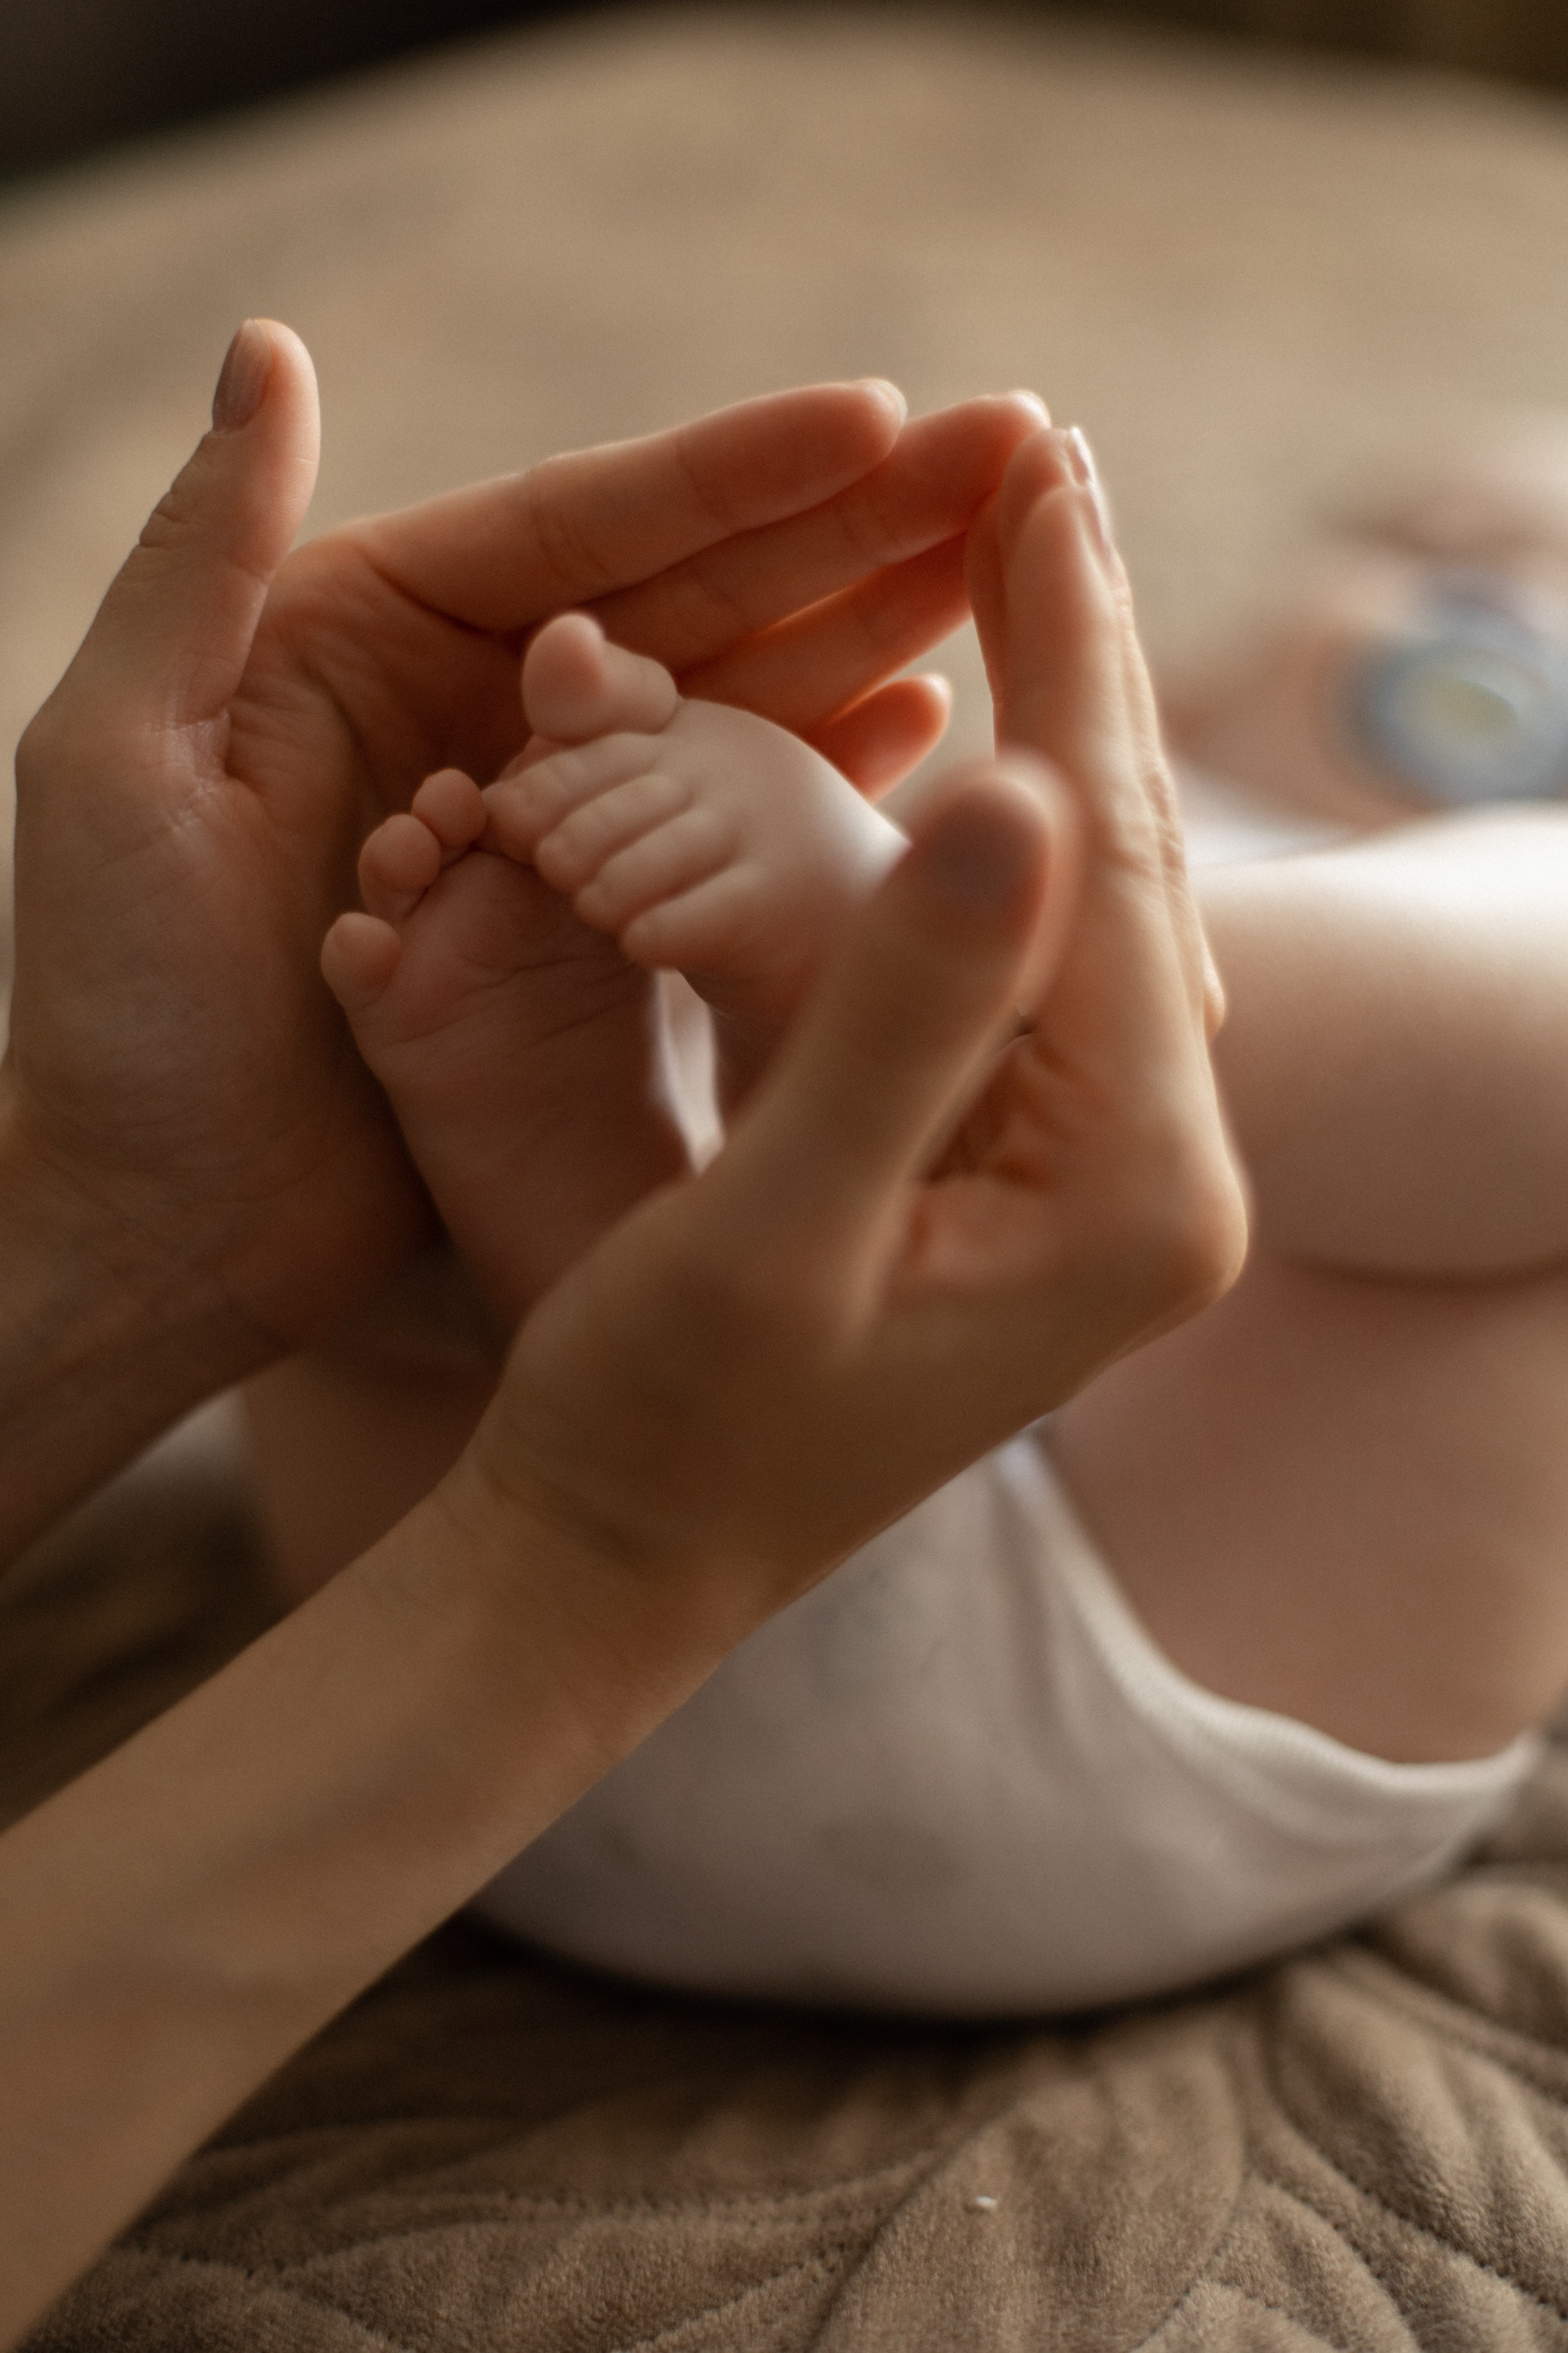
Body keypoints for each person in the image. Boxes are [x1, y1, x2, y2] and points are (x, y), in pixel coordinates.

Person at [0, 320, 1241, 2348]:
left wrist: (127, 1237)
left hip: (505, 1772)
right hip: (1026, 1695)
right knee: (1450, 980)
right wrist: (587, 1553)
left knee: (384, 1295)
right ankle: (835, 1026)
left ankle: (622, 1179)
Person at [258, 401, 1568, 2020]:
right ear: (1209, 675)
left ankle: (943, 1023)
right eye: (1458, 561)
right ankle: (552, 1219)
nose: (1527, 633)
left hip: (1149, 1663)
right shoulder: (1019, 803)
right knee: (614, 931)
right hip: (462, 1629)